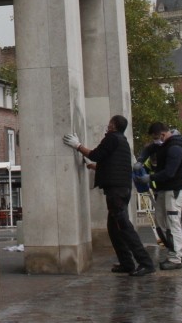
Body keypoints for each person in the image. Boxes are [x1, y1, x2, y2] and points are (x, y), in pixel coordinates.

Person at [62, 116, 155, 277]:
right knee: (114, 229)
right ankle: (127, 263)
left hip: (115, 191)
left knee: (124, 228)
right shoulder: (122, 141)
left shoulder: (111, 138)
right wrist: (93, 166)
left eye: (110, 123)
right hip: (123, 189)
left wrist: (77, 146)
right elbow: (112, 164)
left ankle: (145, 263)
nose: (107, 126)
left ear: (113, 126)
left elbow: (95, 155)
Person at [145, 121, 182, 270]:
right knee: (163, 221)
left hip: (174, 189)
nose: (155, 141)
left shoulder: (174, 148)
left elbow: (170, 172)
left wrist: (150, 178)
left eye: (156, 137)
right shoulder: (166, 145)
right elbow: (149, 149)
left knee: (172, 221)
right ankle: (175, 252)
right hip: (168, 189)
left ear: (162, 135)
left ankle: (176, 256)